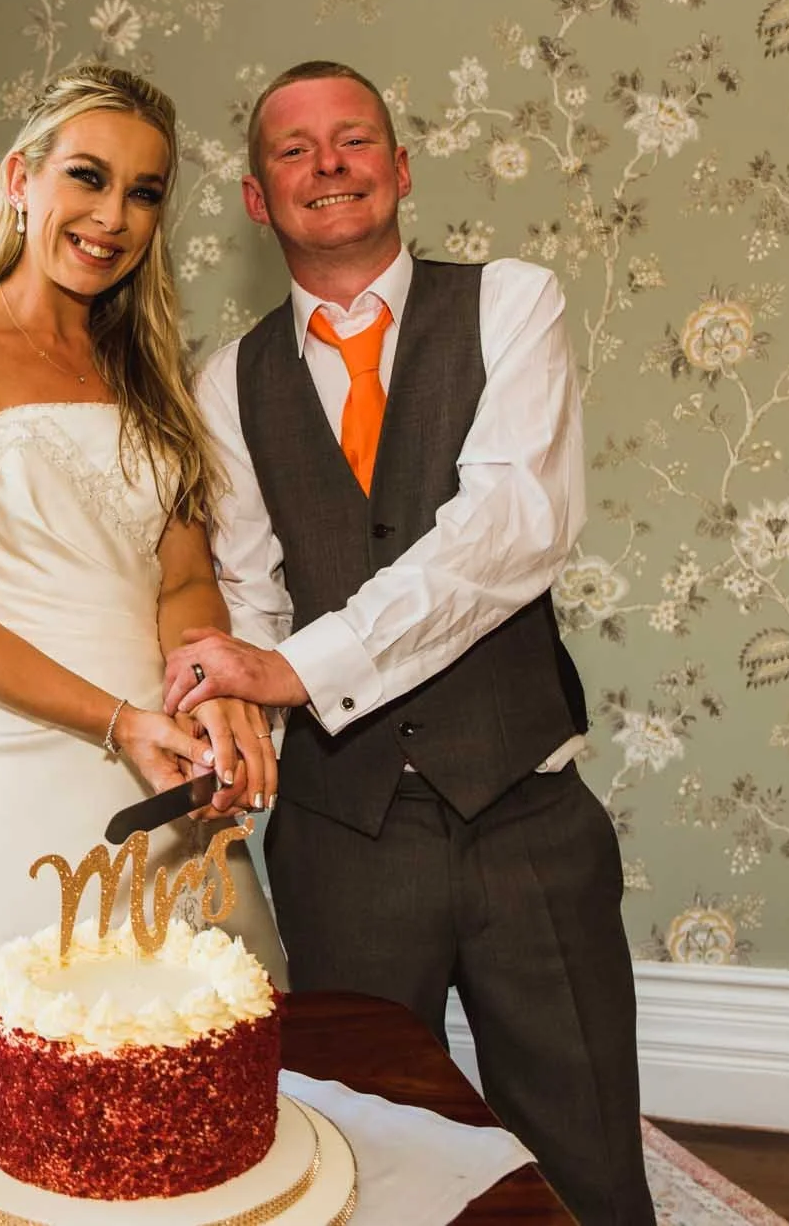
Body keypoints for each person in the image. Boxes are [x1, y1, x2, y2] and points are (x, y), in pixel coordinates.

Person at [162, 61, 653, 1224]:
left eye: (352, 139)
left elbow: (506, 530)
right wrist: (237, 724)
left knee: (582, 1140)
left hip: (525, 811)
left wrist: (293, 670)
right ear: (253, 196)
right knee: (358, 1151)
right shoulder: (226, 381)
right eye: (293, 149)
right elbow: (250, 593)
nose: (326, 163)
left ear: (399, 168)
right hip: (341, 834)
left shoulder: (510, 303)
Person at [0, 65, 288, 1019]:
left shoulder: (153, 380)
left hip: (156, 778)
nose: (113, 216)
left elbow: (182, 587)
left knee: (191, 1069)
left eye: (144, 192)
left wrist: (210, 704)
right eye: (87, 176)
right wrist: (117, 722)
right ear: (21, 179)